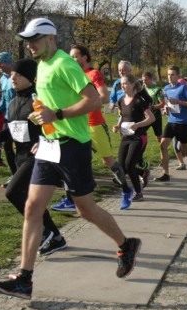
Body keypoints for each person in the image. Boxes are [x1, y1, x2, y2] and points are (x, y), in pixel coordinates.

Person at [0, 18, 141, 300]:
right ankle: (24, 279)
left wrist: (56, 115)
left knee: (86, 210)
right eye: (28, 40)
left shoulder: (64, 64)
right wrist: (43, 118)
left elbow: (93, 100)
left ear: (51, 39)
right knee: (32, 206)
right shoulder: (41, 67)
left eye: (35, 39)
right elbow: (51, 103)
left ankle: (125, 244)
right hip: (49, 145)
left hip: (73, 146)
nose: (30, 45)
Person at [0, 58, 67, 256]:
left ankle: (44, 231)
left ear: (31, 78)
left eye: (19, 75)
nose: (13, 78)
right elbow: (11, 130)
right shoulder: (14, 101)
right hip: (22, 156)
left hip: (42, 154)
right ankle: (56, 237)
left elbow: (54, 127)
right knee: (30, 198)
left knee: (13, 192)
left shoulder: (39, 100)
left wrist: (42, 139)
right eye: (13, 75)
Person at [51, 45, 129, 213]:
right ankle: (70, 200)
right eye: (70, 56)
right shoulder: (73, 73)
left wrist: (83, 105)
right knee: (69, 159)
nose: (71, 60)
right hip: (77, 125)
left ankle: (126, 190)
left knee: (107, 160)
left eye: (74, 56)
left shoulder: (93, 74)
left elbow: (104, 97)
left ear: (85, 57)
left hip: (94, 125)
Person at [113, 74, 155, 207]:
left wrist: (137, 125)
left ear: (132, 85)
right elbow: (122, 115)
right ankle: (143, 172)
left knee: (129, 165)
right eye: (122, 84)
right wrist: (118, 125)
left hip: (138, 137)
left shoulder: (139, 101)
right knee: (121, 167)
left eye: (125, 83)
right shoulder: (120, 100)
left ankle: (138, 193)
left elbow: (151, 118)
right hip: (126, 137)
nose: (123, 86)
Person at [156, 65, 187, 182]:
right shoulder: (166, 88)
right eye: (168, 74)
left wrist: (179, 102)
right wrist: (166, 108)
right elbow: (167, 103)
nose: (169, 77)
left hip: (183, 122)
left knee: (184, 148)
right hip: (171, 121)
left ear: (178, 76)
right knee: (163, 145)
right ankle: (166, 174)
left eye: (172, 74)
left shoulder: (183, 88)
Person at [0, 51, 18, 177]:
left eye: (1, 63)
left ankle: (23, 173)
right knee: (6, 145)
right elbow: (4, 97)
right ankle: (14, 173)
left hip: (19, 117)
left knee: (21, 147)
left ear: (8, 63)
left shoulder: (17, 76)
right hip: (8, 117)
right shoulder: (3, 78)